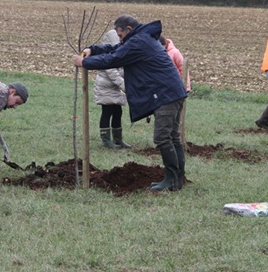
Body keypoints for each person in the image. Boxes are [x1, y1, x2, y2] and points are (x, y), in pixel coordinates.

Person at [73, 15, 188, 192]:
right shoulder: (141, 38)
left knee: (163, 137)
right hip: (172, 91)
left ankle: (172, 180)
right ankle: (177, 179)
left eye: (120, 35)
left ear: (128, 30)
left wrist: (85, 62)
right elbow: (115, 49)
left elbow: (114, 59)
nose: (119, 39)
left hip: (166, 94)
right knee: (172, 136)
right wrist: (93, 50)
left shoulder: (138, 42)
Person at [93, 29, 130, 149]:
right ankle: (106, 140)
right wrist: (124, 86)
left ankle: (118, 139)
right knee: (107, 112)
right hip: (106, 87)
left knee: (118, 112)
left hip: (115, 88)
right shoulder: (106, 56)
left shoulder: (120, 53)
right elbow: (113, 73)